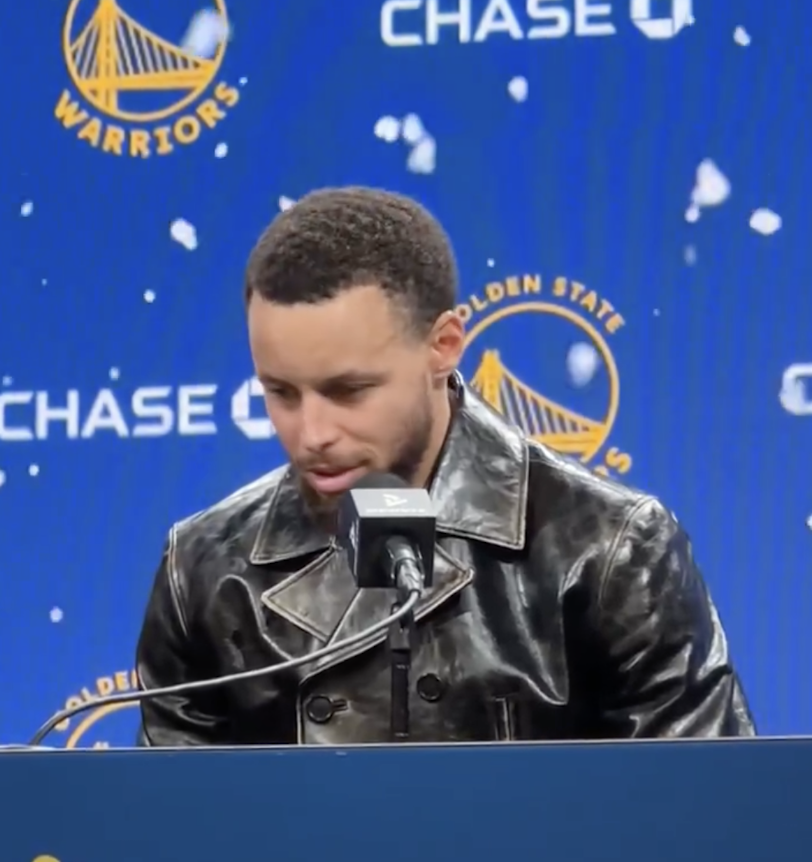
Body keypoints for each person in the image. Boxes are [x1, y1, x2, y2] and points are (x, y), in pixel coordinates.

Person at [135, 186, 755, 745]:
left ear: (444, 346)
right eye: (280, 393)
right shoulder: (203, 569)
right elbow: (173, 820)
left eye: (349, 391)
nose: (311, 434)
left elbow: (701, 811)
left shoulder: (610, 551)